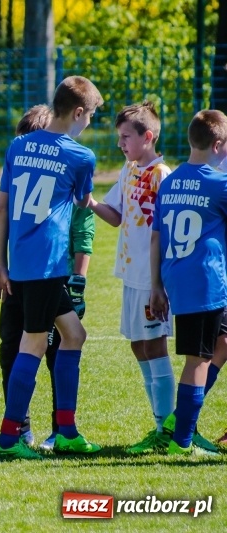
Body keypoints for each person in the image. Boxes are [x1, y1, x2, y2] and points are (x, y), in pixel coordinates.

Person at [0, 76, 104, 459]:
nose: (90, 122)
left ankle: (66, 430)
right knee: (34, 343)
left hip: (22, 262)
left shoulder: (18, 145)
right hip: (48, 263)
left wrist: (0, 263)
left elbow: (2, 208)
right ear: (78, 112)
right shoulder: (81, 156)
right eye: (91, 115)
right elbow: (84, 201)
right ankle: (9, 438)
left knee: (74, 335)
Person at [87, 102, 177, 454]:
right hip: (131, 275)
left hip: (152, 279)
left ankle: (166, 429)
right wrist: (89, 202)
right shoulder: (129, 169)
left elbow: (164, 232)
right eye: (120, 137)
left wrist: (159, 284)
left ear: (148, 136)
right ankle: (160, 424)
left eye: (126, 137)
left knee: (154, 346)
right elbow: (116, 216)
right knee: (138, 345)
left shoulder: (161, 175)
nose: (120, 143)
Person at [149, 109, 227, 456]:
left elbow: (157, 237)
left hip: (180, 278)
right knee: (197, 361)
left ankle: (179, 420)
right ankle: (182, 441)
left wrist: (156, 285)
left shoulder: (170, 182)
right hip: (204, 284)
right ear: (218, 145)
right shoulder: (219, 184)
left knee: (222, 343)